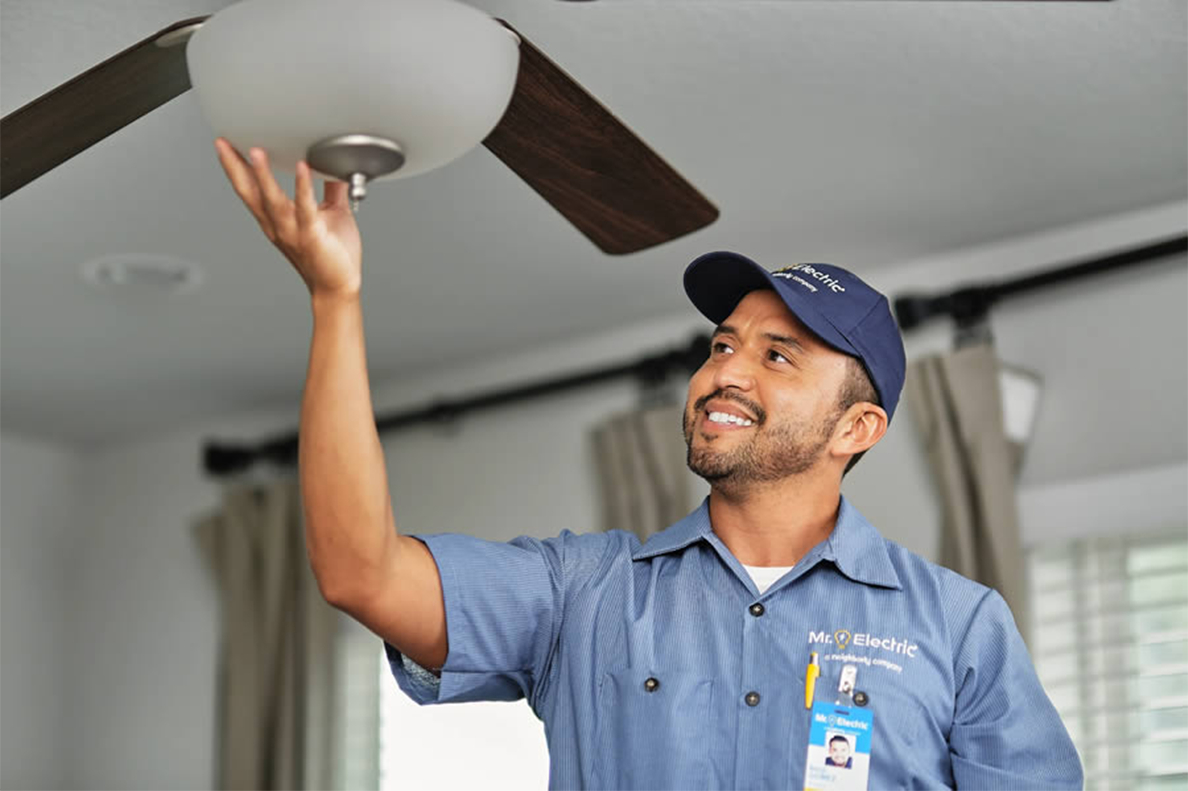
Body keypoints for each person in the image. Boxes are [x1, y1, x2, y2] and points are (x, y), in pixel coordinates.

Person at [215, 140, 1084, 790]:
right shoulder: (582, 594)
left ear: (856, 427)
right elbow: (360, 571)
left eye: (779, 356)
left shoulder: (959, 628)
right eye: (721, 344)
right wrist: (336, 298)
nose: (725, 372)